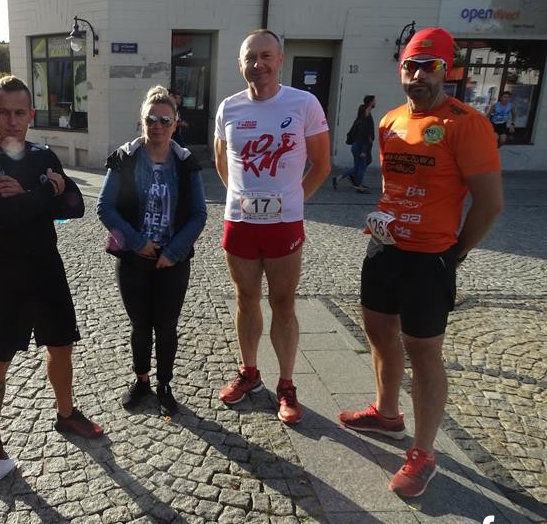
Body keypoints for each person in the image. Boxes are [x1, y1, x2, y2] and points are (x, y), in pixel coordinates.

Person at [338, 28, 503, 498]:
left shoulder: (466, 123)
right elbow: (393, 185)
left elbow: (490, 203)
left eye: (429, 67)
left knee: (423, 351)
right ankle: (387, 414)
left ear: (446, 70)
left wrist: (456, 253)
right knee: (378, 332)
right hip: (383, 248)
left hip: (431, 256)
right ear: (401, 70)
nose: (418, 76)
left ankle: (424, 452)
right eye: (411, 66)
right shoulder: (390, 121)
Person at [0, 75, 103, 488]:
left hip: (48, 267)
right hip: (8, 273)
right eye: (3, 112)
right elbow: (4, 216)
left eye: (19, 112)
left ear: (31, 114)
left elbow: (75, 207)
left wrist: (26, 193)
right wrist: (46, 192)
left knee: (61, 347)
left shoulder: (43, 154)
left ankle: (66, 413)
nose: (11, 120)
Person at [214, 29, 331, 424]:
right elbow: (222, 163)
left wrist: (294, 200)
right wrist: (240, 197)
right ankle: (249, 373)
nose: (258, 64)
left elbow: (322, 165)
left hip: (284, 225)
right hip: (240, 222)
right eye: (251, 57)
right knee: (245, 299)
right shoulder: (229, 107)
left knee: (283, 303)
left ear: (280, 60)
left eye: (266, 56)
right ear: (240, 64)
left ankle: (286, 385)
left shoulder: (303, 103)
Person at [97, 86, 207, 415]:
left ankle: (165, 384)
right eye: (151, 119)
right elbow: (105, 207)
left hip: (173, 261)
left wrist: (173, 251)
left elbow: (199, 214)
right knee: (141, 325)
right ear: (142, 121)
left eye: (165, 120)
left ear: (175, 123)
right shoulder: (125, 159)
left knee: (167, 326)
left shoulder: (186, 163)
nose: (157, 125)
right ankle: (142, 380)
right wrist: (137, 242)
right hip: (134, 259)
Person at [334, 96, 376, 193]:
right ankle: (359, 186)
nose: (375, 102)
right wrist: (364, 150)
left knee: (358, 167)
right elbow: (364, 135)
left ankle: (338, 179)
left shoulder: (362, 116)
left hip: (357, 145)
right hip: (361, 146)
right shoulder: (366, 117)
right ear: (370, 103)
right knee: (362, 166)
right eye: (374, 101)